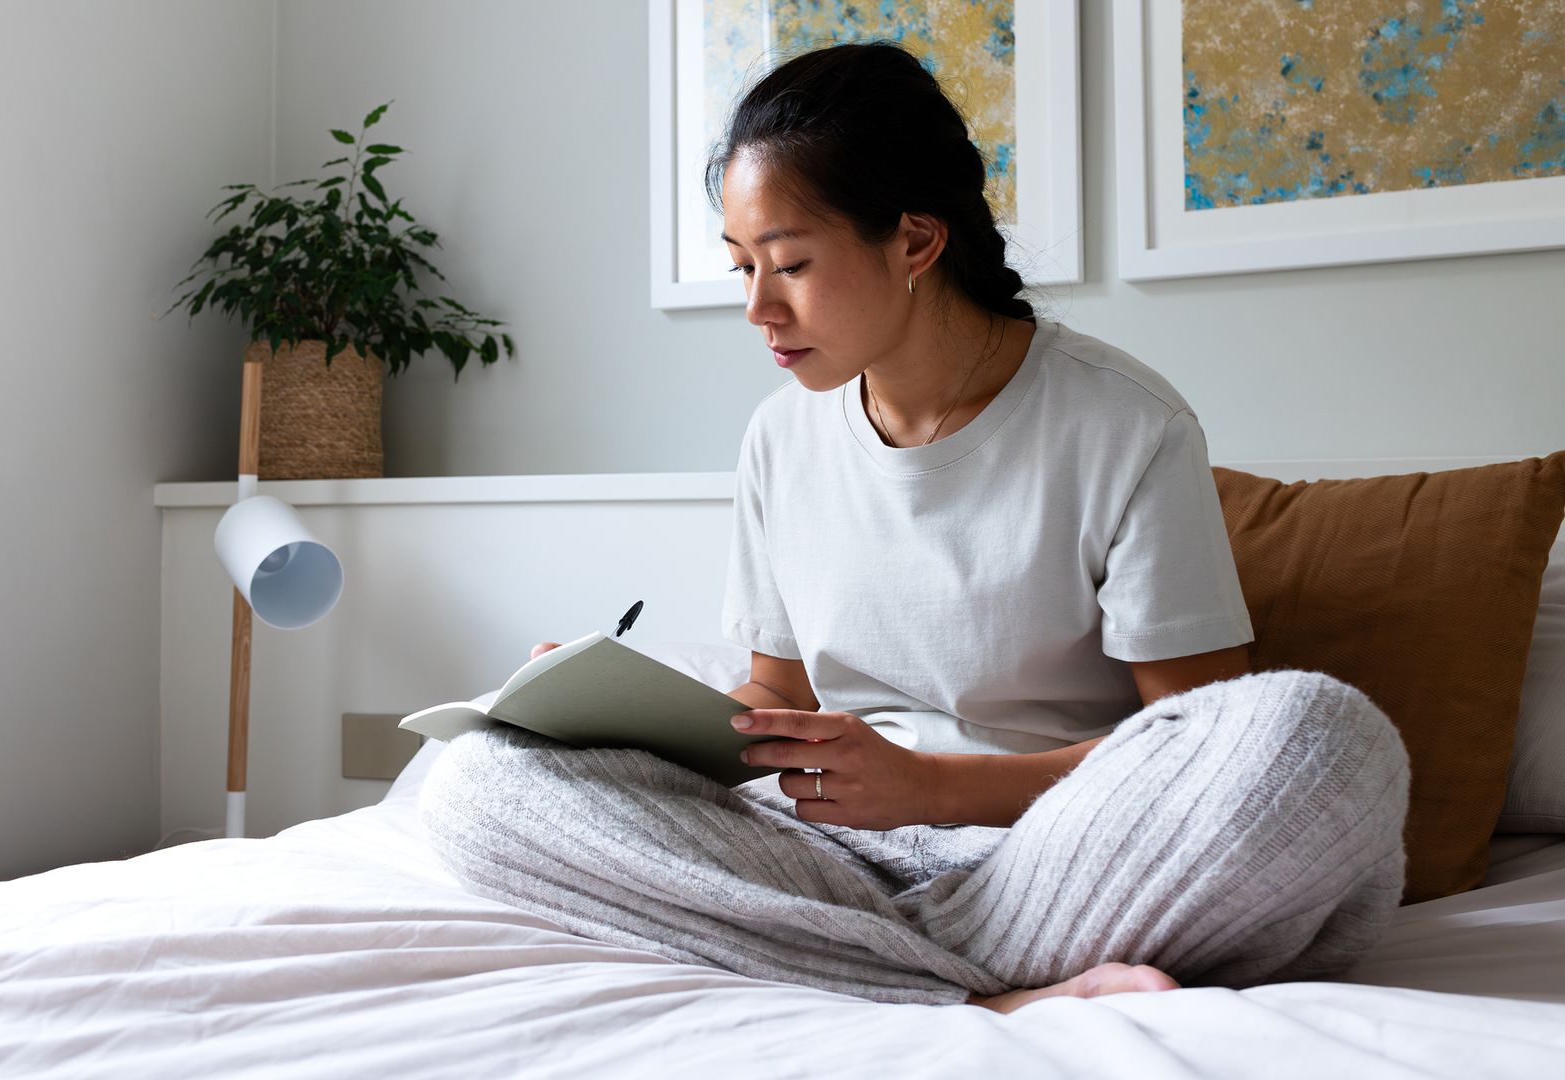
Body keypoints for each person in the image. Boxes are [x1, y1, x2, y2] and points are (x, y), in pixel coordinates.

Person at [420, 40, 1409, 1014]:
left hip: (1055, 850)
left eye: (791, 264)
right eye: (741, 270)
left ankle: (868, 960)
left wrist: (928, 786)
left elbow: (1194, 743)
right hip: (831, 847)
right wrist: (601, 712)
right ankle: (988, 987)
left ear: (917, 242)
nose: (760, 308)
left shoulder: (1126, 425)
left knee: (1318, 735)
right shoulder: (780, 437)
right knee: (477, 781)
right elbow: (775, 697)